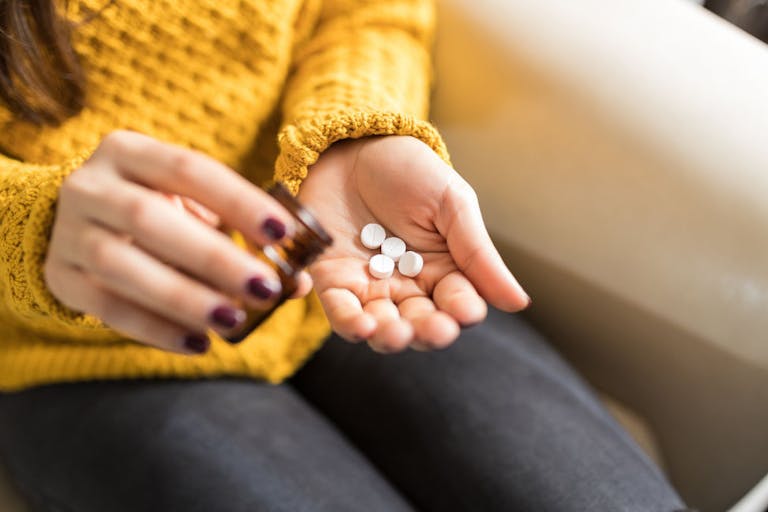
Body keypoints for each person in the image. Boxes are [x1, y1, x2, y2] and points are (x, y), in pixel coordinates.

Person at [0, 1, 690, 510]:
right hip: (75, 355)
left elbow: (364, 10)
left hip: (337, 258)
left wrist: (351, 133)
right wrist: (37, 230)